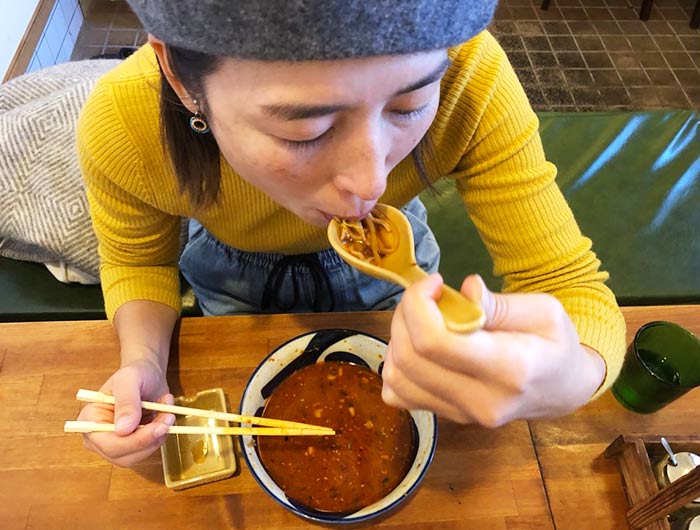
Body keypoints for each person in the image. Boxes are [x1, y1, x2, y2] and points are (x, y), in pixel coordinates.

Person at [76, 0, 626, 467]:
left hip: (392, 274)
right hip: (231, 279)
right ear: (180, 78)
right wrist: (142, 362)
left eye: (409, 106)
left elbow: (567, 283)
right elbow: (139, 262)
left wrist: (571, 374)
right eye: (306, 130)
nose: (371, 183)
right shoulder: (126, 119)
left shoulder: (470, 74)